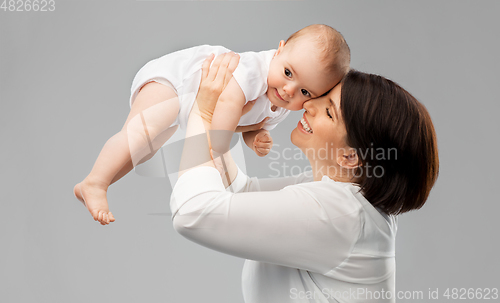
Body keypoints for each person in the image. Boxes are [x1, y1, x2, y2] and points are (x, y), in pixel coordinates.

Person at [169, 53, 439, 303]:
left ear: (349, 157)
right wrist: (221, 119)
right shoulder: (337, 196)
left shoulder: (341, 214)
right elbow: (242, 194)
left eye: (329, 111)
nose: (309, 103)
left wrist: (202, 113)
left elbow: (191, 213)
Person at [73, 24, 350, 223]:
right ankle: (96, 183)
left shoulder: (281, 103)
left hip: (189, 108)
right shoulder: (254, 71)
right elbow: (229, 103)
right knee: (140, 132)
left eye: (305, 92)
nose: (289, 90)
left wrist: (257, 139)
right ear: (278, 51)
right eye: (288, 73)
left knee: (142, 150)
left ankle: (95, 184)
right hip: (176, 81)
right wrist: (217, 149)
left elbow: (253, 126)